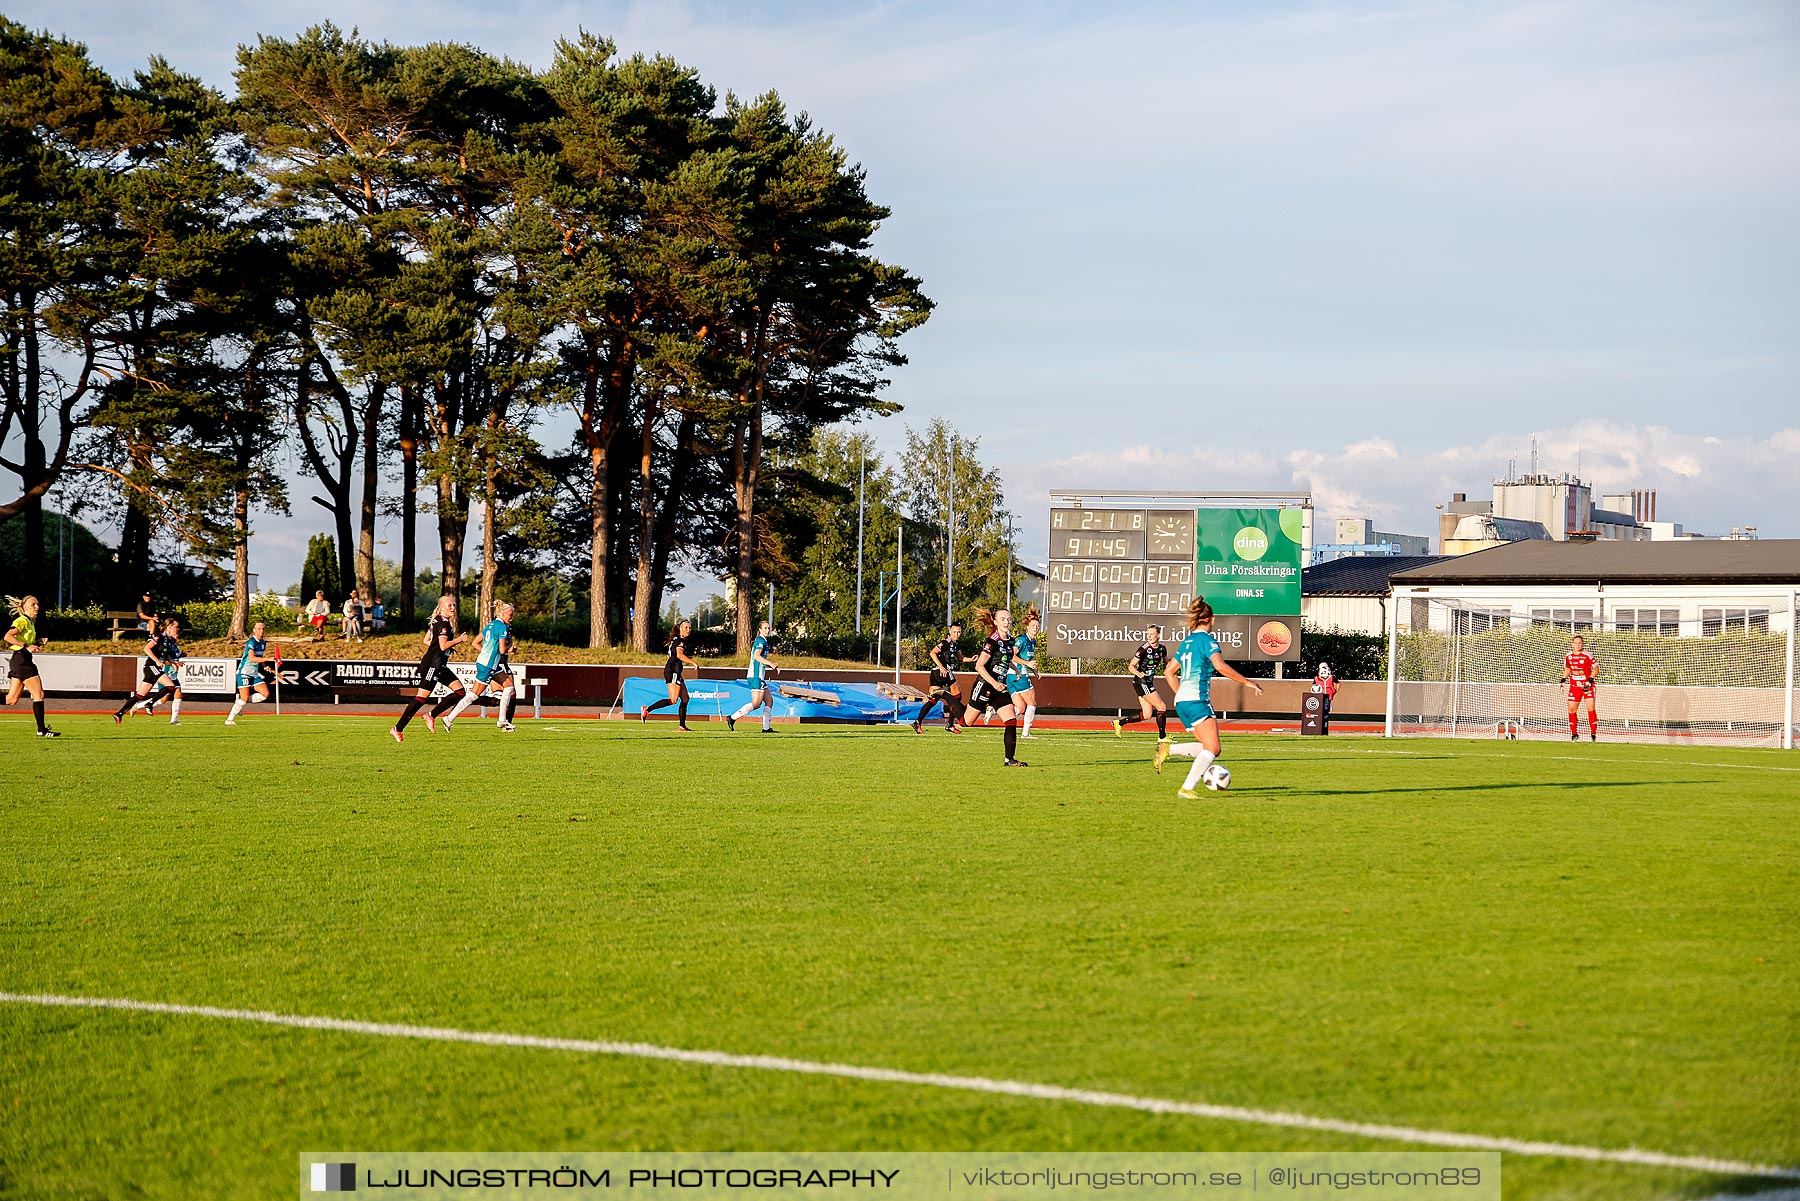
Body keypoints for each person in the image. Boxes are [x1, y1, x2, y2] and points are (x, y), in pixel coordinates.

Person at [1155, 597, 1264, 798]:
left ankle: (1169, 749)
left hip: (1182, 702)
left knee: (1206, 747)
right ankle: (1186, 788)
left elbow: (1169, 671)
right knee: (1213, 748)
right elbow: (1220, 666)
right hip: (1197, 700)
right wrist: (1247, 682)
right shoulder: (1207, 640)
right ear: (1211, 619)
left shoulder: (1187, 641)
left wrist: (1180, 693)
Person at [390, 595, 469, 742]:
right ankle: (398, 729)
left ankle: (431, 715)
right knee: (421, 698)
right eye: (449, 605)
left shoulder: (439, 621)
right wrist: (458, 640)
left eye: (454, 605)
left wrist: (443, 650)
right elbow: (443, 645)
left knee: (460, 692)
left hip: (439, 663)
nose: (453, 608)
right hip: (432, 665)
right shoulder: (443, 624)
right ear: (441, 607)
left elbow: (427, 640)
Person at [962, 606, 1026, 766]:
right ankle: (943, 695)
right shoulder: (992, 640)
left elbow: (1004, 658)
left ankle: (1009, 760)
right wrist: (994, 683)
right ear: (996, 621)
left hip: (999, 687)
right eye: (1003, 619)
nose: (1007, 622)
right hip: (985, 685)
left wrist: (1015, 668)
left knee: (1011, 720)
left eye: (1009, 619)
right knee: (966, 722)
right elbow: (979, 665)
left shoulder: (1010, 640)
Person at [443, 600, 518, 731]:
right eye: (510, 615)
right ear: (503, 614)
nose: (512, 618)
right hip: (488, 665)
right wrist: (510, 648)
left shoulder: (491, 625)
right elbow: (502, 650)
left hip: (487, 663)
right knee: (473, 695)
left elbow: (475, 643)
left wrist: (487, 652)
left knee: (509, 686)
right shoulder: (502, 627)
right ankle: (449, 718)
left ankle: (502, 720)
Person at [3, 595, 59, 737]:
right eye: (33, 604)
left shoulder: (30, 622)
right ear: (25, 607)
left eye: (37, 604)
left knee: (11, 700)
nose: (37, 607)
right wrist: (26, 645)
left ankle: (42, 730)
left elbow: (25, 642)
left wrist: (38, 642)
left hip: (20, 659)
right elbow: (8, 636)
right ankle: (42, 730)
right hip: (22, 661)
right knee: (38, 694)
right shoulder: (22, 620)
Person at [114, 617, 185, 725]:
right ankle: (150, 704)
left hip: (153, 668)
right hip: (151, 666)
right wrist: (157, 661)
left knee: (140, 696)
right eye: (176, 627)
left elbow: (167, 655)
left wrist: (173, 663)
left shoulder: (170, 640)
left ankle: (119, 713)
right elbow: (147, 649)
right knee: (171, 686)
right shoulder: (159, 637)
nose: (178, 629)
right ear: (170, 626)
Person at [1113, 625, 1171, 742]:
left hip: (1146, 682)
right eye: (1147, 634)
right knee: (1161, 707)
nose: (1149, 636)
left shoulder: (1162, 648)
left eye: (1151, 634)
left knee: (1147, 715)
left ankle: (1119, 723)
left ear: (1158, 635)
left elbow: (1166, 662)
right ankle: (1162, 737)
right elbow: (1131, 666)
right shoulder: (1143, 649)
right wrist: (1139, 674)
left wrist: (1169, 671)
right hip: (1142, 682)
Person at [912, 621, 966, 733]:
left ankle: (917, 722)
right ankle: (950, 724)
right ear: (950, 632)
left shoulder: (956, 645)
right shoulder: (945, 642)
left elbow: (961, 658)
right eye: (954, 632)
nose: (956, 634)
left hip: (937, 673)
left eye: (958, 632)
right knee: (957, 696)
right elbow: (932, 653)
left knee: (932, 700)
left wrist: (973, 659)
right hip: (942, 672)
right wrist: (941, 667)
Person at [641, 619, 696, 730]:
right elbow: (679, 655)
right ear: (680, 629)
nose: (688, 630)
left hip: (675, 671)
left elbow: (672, 656)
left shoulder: (677, 640)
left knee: (685, 698)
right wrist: (693, 662)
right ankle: (647, 709)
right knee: (673, 700)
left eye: (690, 628)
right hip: (673, 671)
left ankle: (682, 726)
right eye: (686, 628)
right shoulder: (680, 640)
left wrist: (683, 659)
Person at [728, 621, 779, 733]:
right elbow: (756, 656)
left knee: (769, 701)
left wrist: (771, 665)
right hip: (755, 676)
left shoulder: (764, 641)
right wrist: (770, 663)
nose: (767, 630)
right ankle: (732, 717)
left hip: (759, 677)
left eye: (769, 628)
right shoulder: (760, 641)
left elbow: (759, 659)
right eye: (765, 628)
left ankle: (766, 728)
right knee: (756, 704)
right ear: (759, 630)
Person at [226, 621, 274, 725]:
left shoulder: (263, 643)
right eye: (259, 629)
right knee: (245, 698)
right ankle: (229, 720)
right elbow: (252, 659)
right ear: (254, 630)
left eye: (263, 629)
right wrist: (269, 658)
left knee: (265, 694)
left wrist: (265, 666)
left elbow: (259, 658)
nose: (261, 631)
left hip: (254, 673)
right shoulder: (251, 642)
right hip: (244, 672)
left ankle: (240, 702)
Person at [1006, 608, 1042, 738]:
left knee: (1020, 708)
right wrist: (1027, 665)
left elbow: (1029, 660)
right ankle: (1025, 733)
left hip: (1015, 675)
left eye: (1037, 626)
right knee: (1032, 704)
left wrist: (1035, 671)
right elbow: (1011, 656)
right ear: (1027, 627)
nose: (1036, 628)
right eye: (1033, 626)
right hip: (1018, 674)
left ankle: (994, 710)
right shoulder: (1022, 640)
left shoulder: (1033, 641)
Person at [1562, 634, 1598, 742]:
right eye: (1576, 643)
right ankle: (1574, 734)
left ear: (1582, 644)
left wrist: (1590, 679)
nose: (1578, 645)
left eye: (1580, 643)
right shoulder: (1568, 656)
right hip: (1574, 687)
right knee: (1571, 709)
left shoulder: (1587, 655)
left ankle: (1593, 734)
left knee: (1590, 708)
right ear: (1572, 644)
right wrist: (1563, 679)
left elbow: (1596, 669)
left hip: (1587, 686)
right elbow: (1568, 669)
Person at [1311, 661, 1338, 733]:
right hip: (1319, 697)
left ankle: (1324, 727)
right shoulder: (1316, 678)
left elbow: (1338, 683)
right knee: (1319, 712)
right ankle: (1318, 726)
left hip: (1328, 696)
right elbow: (1314, 686)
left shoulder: (1331, 677)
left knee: (1326, 712)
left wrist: (1334, 691)